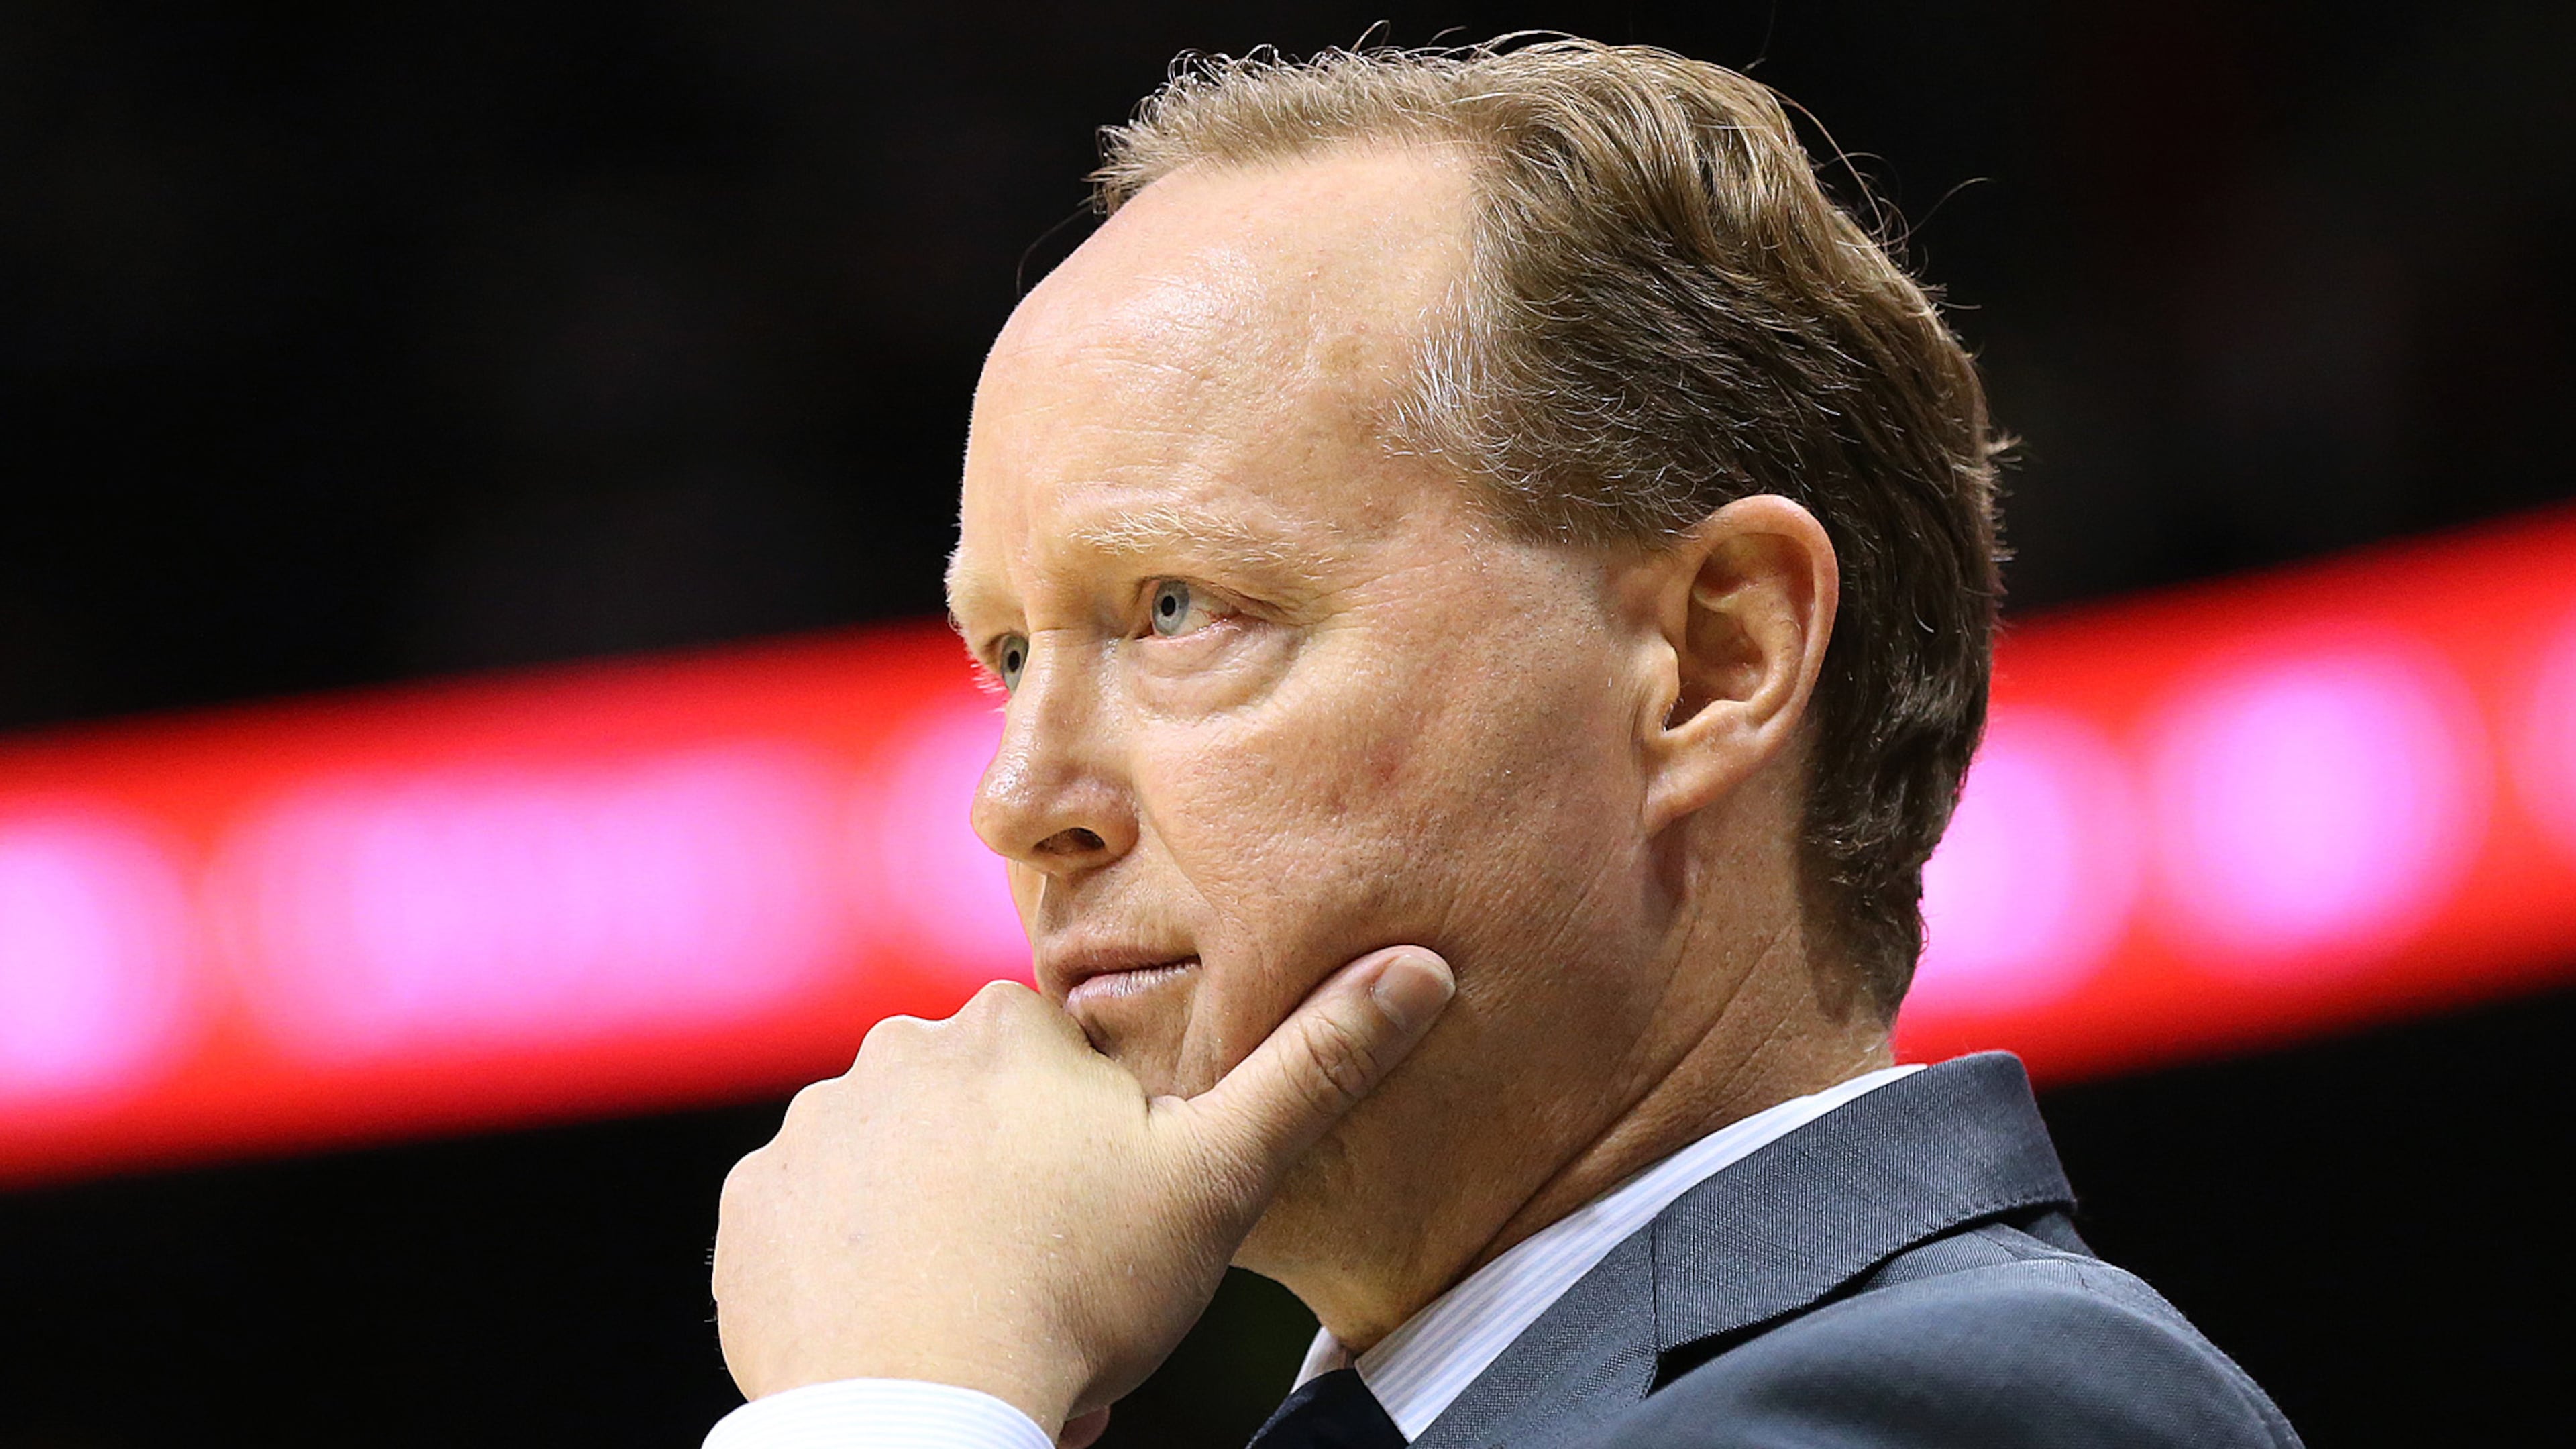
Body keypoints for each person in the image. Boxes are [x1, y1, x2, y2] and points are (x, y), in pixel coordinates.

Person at [704, 38, 2302, 1449]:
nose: (1017, 803)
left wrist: (893, 1407)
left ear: (1710, 659)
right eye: (1004, 654)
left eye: (1176, 607)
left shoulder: (1983, 1403)